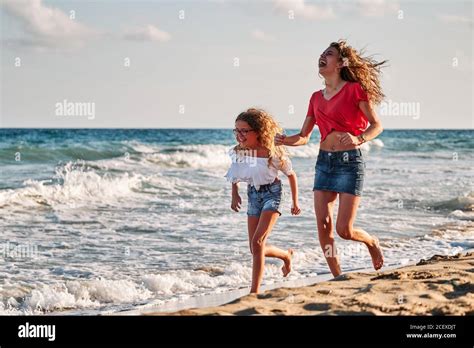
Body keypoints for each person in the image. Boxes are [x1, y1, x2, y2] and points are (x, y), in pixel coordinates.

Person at [275, 40, 386, 277]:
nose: (322, 56)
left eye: (329, 53)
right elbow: (304, 136)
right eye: (322, 53)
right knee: (324, 227)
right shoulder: (315, 97)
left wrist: (359, 138)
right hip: (324, 163)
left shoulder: (355, 89)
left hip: (349, 163)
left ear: (341, 63)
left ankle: (371, 242)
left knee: (344, 230)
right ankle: (338, 276)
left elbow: (377, 126)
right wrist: (284, 140)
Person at [225, 108, 301, 293]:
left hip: (272, 194)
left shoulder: (270, 153)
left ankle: (254, 292)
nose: (240, 135)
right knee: (254, 247)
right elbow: (234, 174)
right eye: (237, 130)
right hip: (253, 195)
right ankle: (285, 255)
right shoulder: (240, 152)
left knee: (258, 242)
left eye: (244, 131)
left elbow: (291, 175)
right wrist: (235, 193)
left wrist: (295, 202)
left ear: (258, 132)